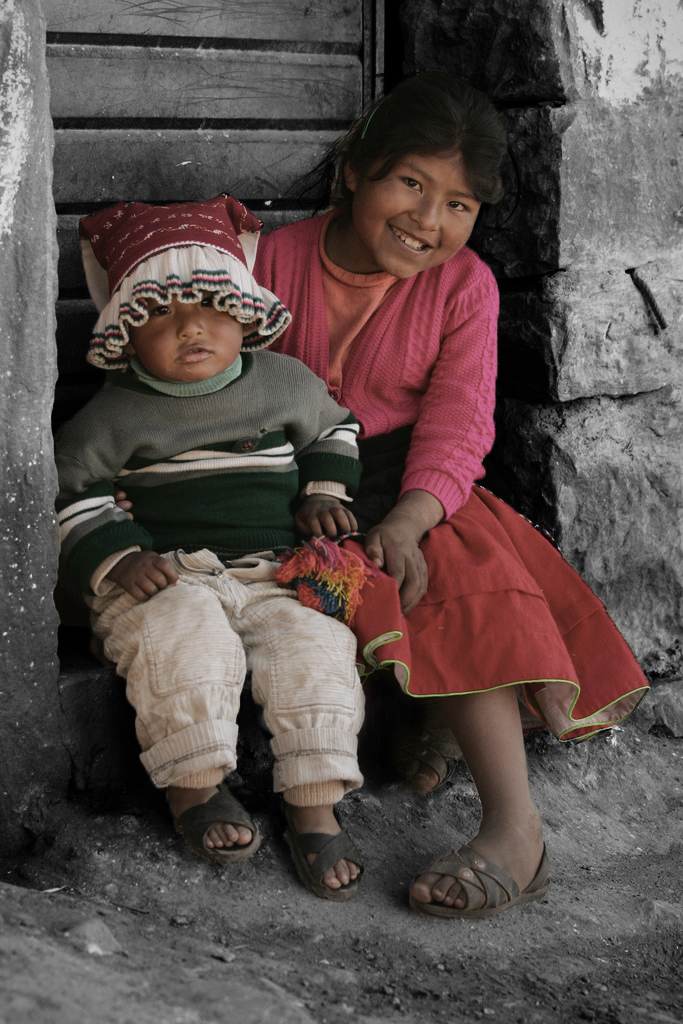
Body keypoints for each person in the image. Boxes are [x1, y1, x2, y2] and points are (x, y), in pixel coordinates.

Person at [249, 71, 650, 919]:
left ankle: (515, 830)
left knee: (459, 565)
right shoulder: (269, 262)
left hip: (412, 481)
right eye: (410, 183)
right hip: (287, 476)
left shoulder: (464, 286)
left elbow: (459, 427)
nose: (428, 220)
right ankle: (417, 721)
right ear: (357, 168)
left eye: (458, 204)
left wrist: (408, 517)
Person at [55, 194, 367, 902]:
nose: (190, 326)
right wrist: (120, 552)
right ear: (126, 330)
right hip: (169, 577)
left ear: (246, 313)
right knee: (184, 643)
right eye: (160, 312)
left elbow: (335, 431)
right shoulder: (109, 415)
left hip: (273, 572)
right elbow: (70, 489)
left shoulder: (286, 383)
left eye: (210, 306)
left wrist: (324, 492)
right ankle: (194, 790)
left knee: (313, 650)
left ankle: (312, 806)